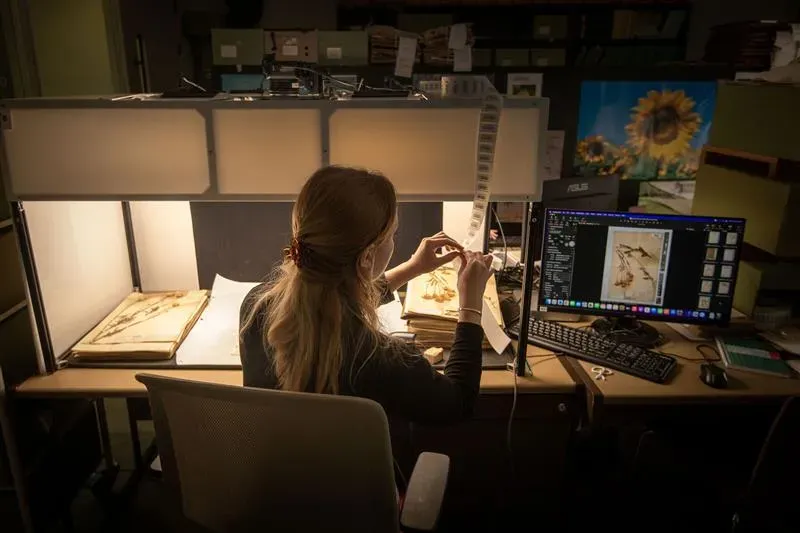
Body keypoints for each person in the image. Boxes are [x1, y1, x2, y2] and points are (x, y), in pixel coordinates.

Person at [239, 165, 494, 425]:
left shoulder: (255, 308)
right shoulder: (383, 359)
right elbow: (458, 404)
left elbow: (331, 294)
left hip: (273, 466)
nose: (394, 241)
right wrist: (471, 304)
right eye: (392, 234)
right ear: (367, 257)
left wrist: (412, 268)